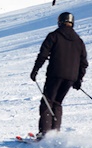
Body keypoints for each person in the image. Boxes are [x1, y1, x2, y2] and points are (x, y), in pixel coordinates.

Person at [30, 11, 88, 139]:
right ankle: (54, 133)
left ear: (60, 22)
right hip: (71, 77)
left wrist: (35, 70)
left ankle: (45, 133)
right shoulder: (79, 41)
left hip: (55, 74)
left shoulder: (54, 36)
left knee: (47, 101)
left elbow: (43, 54)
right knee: (57, 102)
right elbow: (83, 63)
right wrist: (78, 80)